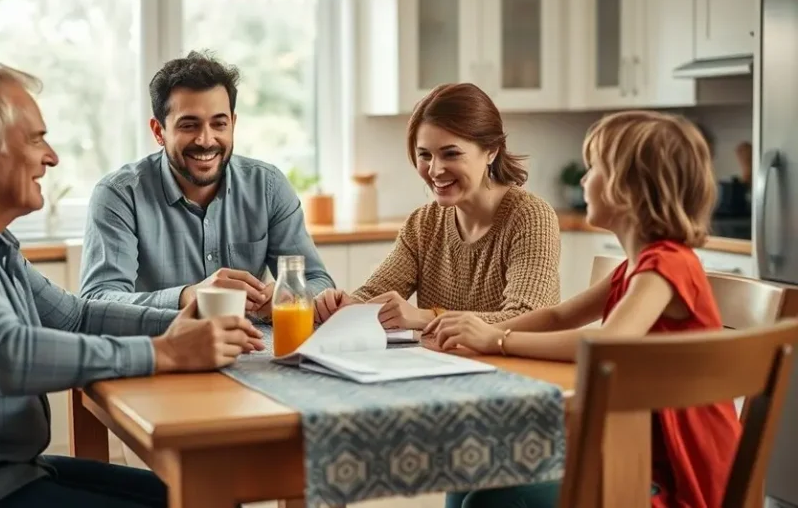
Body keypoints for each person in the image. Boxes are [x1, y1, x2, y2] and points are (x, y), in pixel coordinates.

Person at [0, 62, 264, 508]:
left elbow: (74, 315)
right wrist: (165, 351)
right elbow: (5, 354)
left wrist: (180, 324)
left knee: (209, 496)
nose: (51, 156)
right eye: (34, 139)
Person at [425, 110, 741, 508]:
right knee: (474, 470)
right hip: (637, 456)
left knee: (489, 501)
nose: (583, 179)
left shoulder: (667, 265)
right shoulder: (636, 267)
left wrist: (499, 339)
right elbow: (559, 316)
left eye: (594, 169)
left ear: (629, 189)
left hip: (677, 483)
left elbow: (608, 341)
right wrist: (482, 338)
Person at [79, 50, 333, 316]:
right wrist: (188, 296)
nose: (206, 140)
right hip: (160, 351)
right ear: (158, 131)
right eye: (189, 126)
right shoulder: (119, 195)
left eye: (219, 124)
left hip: (251, 349)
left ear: (232, 124)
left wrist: (286, 295)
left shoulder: (268, 187)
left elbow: (319, 282)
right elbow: (97, 302)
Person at [313, 82, 561, 332]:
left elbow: (527, 318)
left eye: (451, 154)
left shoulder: (530, 216)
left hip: (518, 369)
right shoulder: (423, 224)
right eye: (425, 155)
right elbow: (372, 296)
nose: (434, 170)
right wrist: (344, 306)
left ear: (491, 151)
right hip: (447, 366)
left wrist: (425, 318)